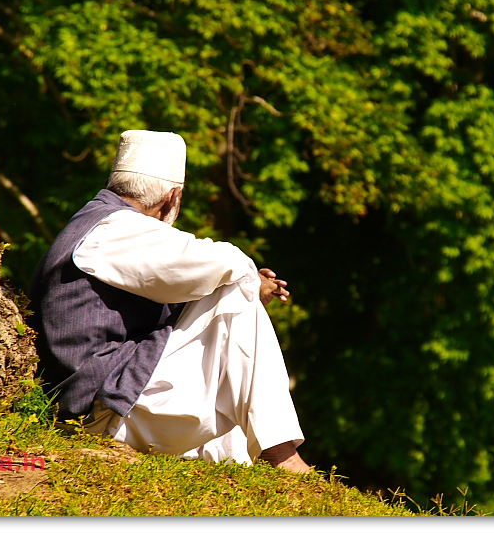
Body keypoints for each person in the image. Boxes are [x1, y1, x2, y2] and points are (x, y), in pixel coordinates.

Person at [28, 130, 310, 472]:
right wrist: (256, 281)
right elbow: (224, 262)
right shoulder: (113, 229)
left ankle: (241, 462)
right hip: (102, 410)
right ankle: (282, 456)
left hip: (105, 402)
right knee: (236, 287)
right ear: (172, 197)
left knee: (230, 290)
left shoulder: (96, 224)